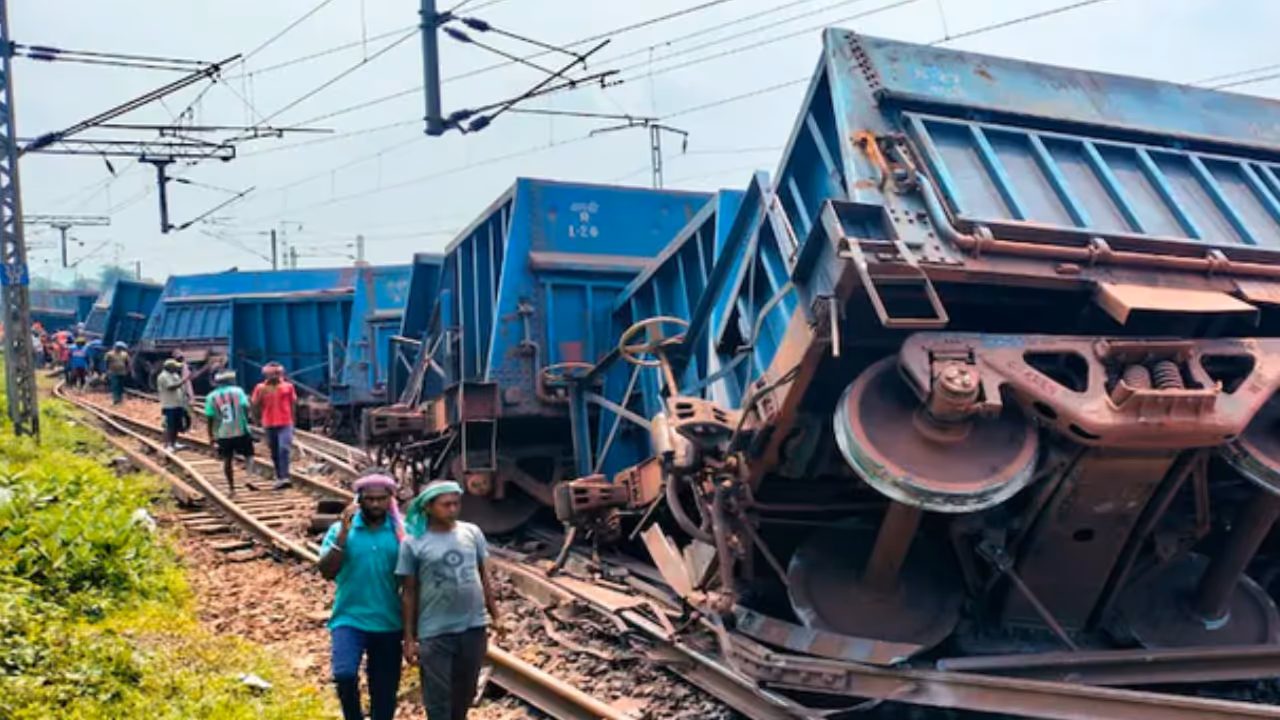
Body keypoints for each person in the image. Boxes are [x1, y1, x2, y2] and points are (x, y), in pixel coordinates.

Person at [398, 480, 503, 720]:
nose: (453, 509)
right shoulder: (413, 542)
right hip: (435, 632)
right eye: (446, 505)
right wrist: (409, 638)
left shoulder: (471, 532)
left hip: (473, 627)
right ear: (428, 508)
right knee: (438, 699)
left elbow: (482, 575)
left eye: (456, 504)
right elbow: (409, 592)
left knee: (465, 694)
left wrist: (496, 615)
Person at [318, 473, 406, 720]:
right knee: (344, 674)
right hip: (348, 618)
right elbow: (326, 571)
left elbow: (411, 583)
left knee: (385, 690)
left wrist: (411, 631)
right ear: (358, 500)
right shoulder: (339, 530)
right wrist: (343, 536)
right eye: (369, 499)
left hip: (389, 621)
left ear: (391, 500)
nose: (376, 505)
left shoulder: (401, 532)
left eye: (381, 499)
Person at [204, 369, 255, 495]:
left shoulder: (211, 397)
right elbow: (246, 406)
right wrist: (246, 419)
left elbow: (209, 417)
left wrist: (211, 435)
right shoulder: (238, 391)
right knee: (249, 455)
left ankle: (231, 488)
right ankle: (248, 478)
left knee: (227, 460)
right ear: (230, 381)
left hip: (223, 433)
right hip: (241, 430)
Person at [251, 362, 298, 491]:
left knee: (284, 448)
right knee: (274, 451)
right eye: (271, 374)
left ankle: (285, 477)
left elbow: (293, 404)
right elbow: (255, 405)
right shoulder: (260, 388)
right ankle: (279, 476)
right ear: (266, 375)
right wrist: (257, 420)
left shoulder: (288, 387)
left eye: (277, 374)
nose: (274, 376)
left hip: (285, 423)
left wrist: (293, 421)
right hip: (269, 423)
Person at [156, 359, 190, 450]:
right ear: (169, 367)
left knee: (176, 426)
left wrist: (185, 395)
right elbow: (170, 387)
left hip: (178, 404)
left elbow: (179, 387)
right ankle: (167, 444)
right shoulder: (163, 376)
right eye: (175, 367)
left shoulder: (174, 375)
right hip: (169, 405)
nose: (177, 369)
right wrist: (184, 380)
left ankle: (174, 443)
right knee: (169, 426)